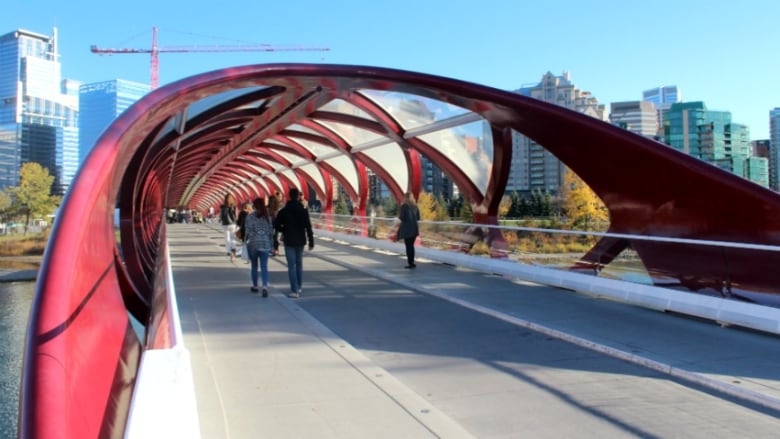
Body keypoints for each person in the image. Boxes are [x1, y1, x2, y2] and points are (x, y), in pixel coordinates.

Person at [273, 187, 314, 298]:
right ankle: (299, 287)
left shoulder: (284, 211)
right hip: (301, 240)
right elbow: (308, 226)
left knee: (291, 266)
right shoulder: (303, 210)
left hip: (289, 240)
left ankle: (294, 290)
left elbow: (276, 225)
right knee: (299, 264)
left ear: (289, 196)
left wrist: (284, 229)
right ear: (297, 196)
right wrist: (311, 241)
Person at [244, 197, 274, 297]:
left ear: (254, 206)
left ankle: (255, 286)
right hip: (265, 244)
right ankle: (265, 287)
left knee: (254, 266)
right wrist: (272, 246)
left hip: (253, 244)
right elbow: (270, 233)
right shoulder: (267, 218)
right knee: (264, 267)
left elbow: (247, 231)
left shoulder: (250, 217)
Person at [397, 191, 420, 269]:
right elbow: (418, 217)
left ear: (405, 198)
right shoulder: (415, 206)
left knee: (408, 246)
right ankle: (412, 262)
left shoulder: (404, 206)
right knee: (411, 246)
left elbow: (402, 217)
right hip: (414, 229)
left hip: (407, 229)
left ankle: (410, 263)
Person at [220, 193, 238, 262]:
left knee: (227, 238)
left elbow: (221, 215)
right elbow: (236, 215)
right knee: (233, 237)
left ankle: (228, 251)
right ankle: (233, 249)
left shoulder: (222, 206)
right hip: (233, 224)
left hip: (225, 224)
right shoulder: (234, 206)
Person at [267, 192, 282, 256]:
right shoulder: (271, 208)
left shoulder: (275, 209)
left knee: (274, 237)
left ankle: (274, 249)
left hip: (273, 224)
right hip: (272, 224)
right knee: (273, 236)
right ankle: (274, 249)